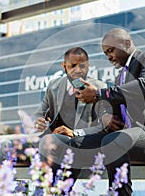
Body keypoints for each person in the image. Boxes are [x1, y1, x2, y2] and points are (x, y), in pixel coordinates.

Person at [72, 28, 145, 195]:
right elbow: (114, 101)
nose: (108, 57)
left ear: (127, 43)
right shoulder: (120, 76)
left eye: (110, 50)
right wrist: (106, 115)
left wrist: (99, 94)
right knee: (73, 145)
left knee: (114, 141)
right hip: (127, 137)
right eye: (105, 53)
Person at [34, 47, 108, 185]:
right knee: (6, 146)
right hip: (52, 140)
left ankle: (46, 190)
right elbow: (40, 113)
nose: (78, 70)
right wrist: (39, 121)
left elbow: (103, 126)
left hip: (78, 144)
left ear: (88, 65)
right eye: (73, 66)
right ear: (64, 66)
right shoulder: (53, 86)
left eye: (82, 65)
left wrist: (74, 133)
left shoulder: (98, 88)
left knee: (48, 141)